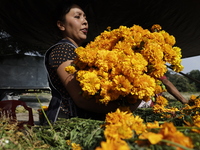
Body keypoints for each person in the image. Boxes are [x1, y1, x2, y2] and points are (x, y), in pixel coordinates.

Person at [44, 1, 141, 123]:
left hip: (81, 121)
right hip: (67, 123)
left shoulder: (79, 51)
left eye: (85, 17)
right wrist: (124, 108)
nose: (84, 21)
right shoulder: (62, 50)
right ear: (61, 25)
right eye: (77, 16)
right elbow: (81, 100)